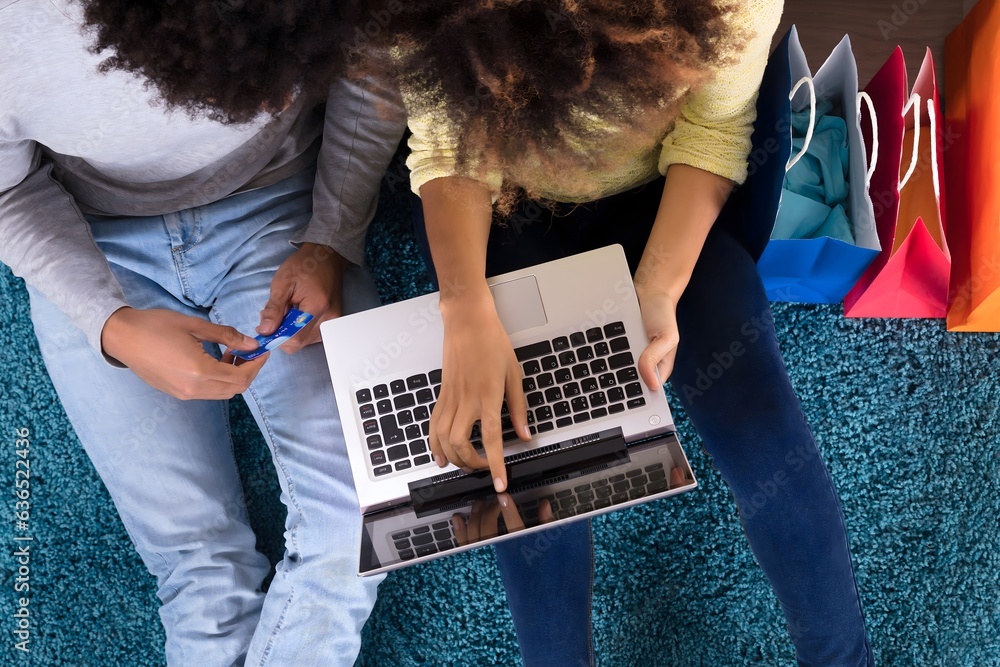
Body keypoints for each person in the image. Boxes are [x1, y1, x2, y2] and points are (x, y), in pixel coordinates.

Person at [357, 0, 875, 663]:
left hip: (665, 193)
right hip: (511, 211)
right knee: (519, 457)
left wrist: (657, 288)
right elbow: (445, 142)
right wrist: (465, 309)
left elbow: (715, 130)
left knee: (766, 437)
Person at [0, 1, 405, 664]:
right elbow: (5, 192)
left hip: (280, 206)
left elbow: (381, 53)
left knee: (359, 517)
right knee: (201, 573)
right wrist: (114, 325)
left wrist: (331, 235)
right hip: (92, 239)